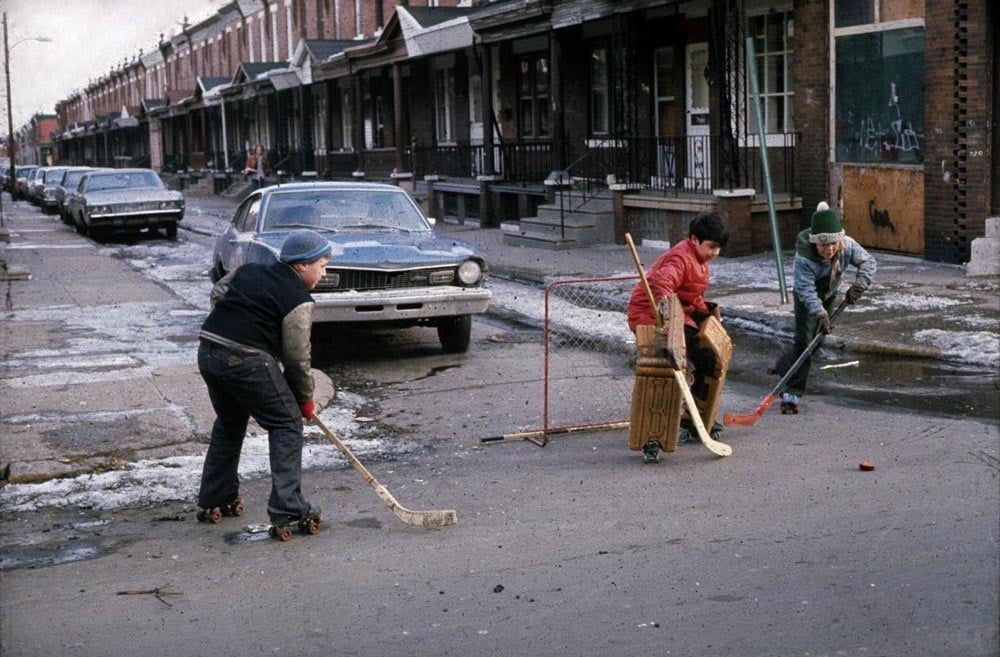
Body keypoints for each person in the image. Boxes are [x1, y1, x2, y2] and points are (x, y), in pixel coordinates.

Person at [196, 229, 332, 534]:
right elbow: (297, 357)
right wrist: (304, 399)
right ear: (302, 265)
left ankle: (215, 497)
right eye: (321, 266)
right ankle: (288, 505)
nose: (323, 274)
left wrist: (233, 320)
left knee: (229, 424)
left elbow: (218, 292)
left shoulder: (251, 270)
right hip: (245, 358)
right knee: (286, 424)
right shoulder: (299, 299)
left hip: (208, 350)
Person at [627, 213, 730, 439]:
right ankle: (653, 432)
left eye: (718, 248)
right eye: (711, 246)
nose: (715, 253)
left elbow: (692, 296)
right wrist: (665, 312)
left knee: (709, 360)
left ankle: (695, 419)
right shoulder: (681, 258)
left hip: (677, 316)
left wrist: (705, 313)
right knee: (665, 370)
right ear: (695, 239)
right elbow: (661, 283)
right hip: (651, 317)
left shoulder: (700, 261)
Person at [777, 201, 877, 413]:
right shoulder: (804, 256)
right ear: (815, 243)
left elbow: (868, 262)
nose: (829, 249)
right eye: (824, 245)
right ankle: (792, 393)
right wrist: (820, 313)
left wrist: (859, 285)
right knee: (804, 339)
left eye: (833, 244)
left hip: (829, 295)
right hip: (807, 299)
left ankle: (785, 365)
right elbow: (804, 290)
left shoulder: (846, 245)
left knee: (818, 339)